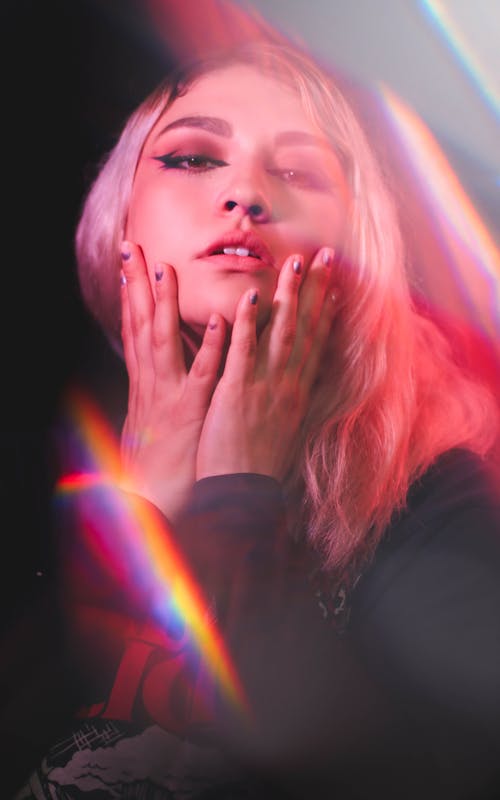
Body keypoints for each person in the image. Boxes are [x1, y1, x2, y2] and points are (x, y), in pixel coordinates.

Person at [13, 35, 500, 800]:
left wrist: (239, 495)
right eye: (193, 158)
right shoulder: (38, 463)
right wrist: (133, 514)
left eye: (298, 171)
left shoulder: (434, 500)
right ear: (122, 221)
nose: (246, 196)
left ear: (356, 249)